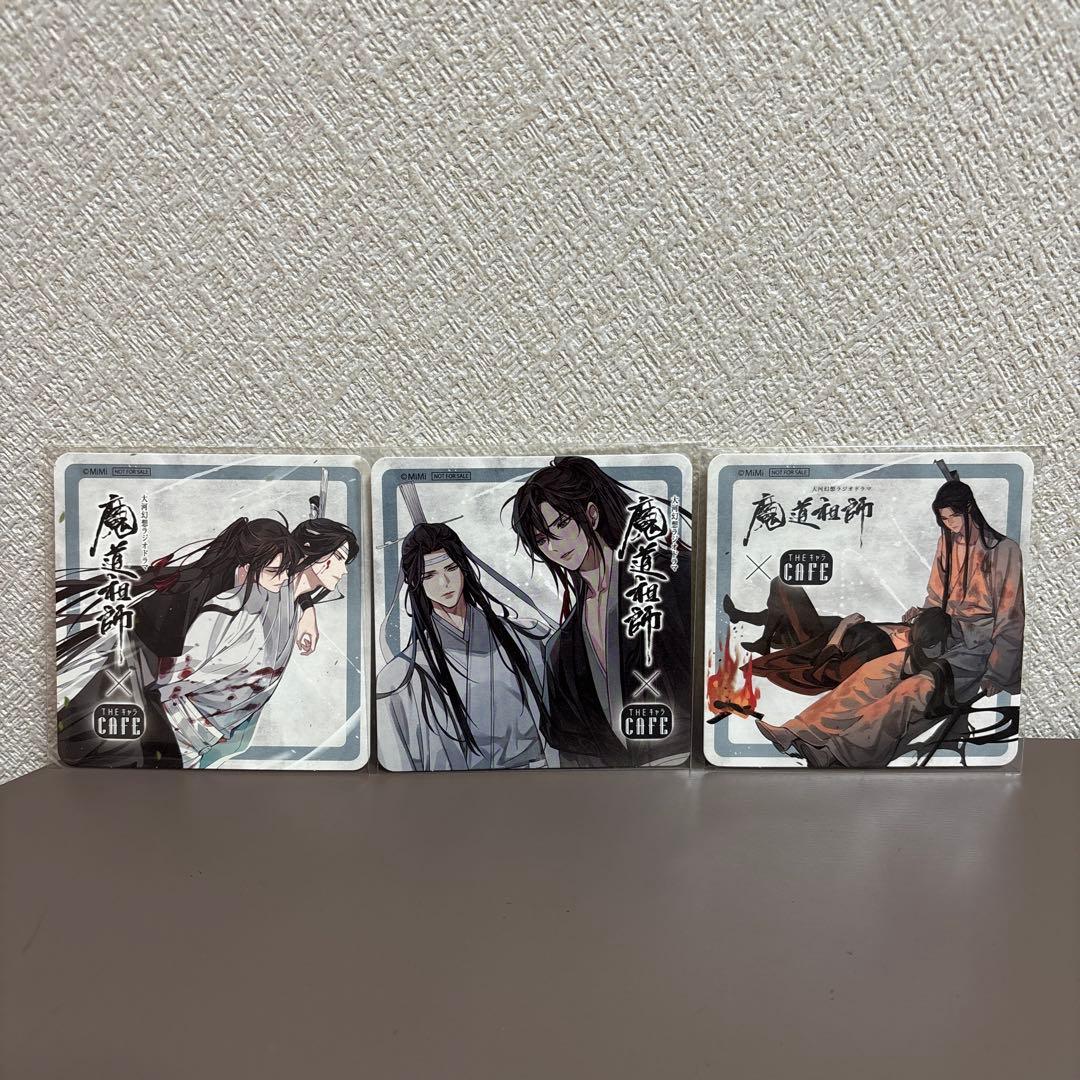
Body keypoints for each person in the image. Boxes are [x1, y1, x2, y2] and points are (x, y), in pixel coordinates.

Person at [754, 480, 1024, 767]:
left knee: (913, 691)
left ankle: (836, 753)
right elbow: (936, 596)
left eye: (954, 516)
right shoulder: (947, 542)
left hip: (978, 649)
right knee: (874, 673)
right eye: (944, 519)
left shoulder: (1004, 550)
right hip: (943, 636)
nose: (951, 524)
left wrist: (997, 672)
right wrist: (923, 615)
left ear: (970, 509)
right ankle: (797, 732)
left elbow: (1011, 617)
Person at [57, 515, 358, 768]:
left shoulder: (280, 589)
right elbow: (168, 680)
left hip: (197, 736)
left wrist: (307, 608)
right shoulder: (238, 600)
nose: (344, 570)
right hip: (170, 728)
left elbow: (292, 585)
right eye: (338, 558)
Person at [507, 456, 692, 767]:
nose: (555, 546)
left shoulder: (670, 578)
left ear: (591, 515)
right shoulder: (562, 649)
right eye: (541, 539)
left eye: (562, 523)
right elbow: (573, 749)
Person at [376, 522, 552, 770]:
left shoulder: (529, 639)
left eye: (450, 567)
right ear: (415, 582)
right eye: (429, 575)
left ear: (464, 567)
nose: (444, 582)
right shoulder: (398, 679)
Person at [722, 578, 909, 696]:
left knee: (783, 584)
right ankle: (745, 622)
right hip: (830, 630)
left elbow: (830, 668)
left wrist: (843, 627)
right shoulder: (906, 639)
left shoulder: (884, 656)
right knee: (784, 614)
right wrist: (904, 623)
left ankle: (763, 639)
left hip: (820, 642)